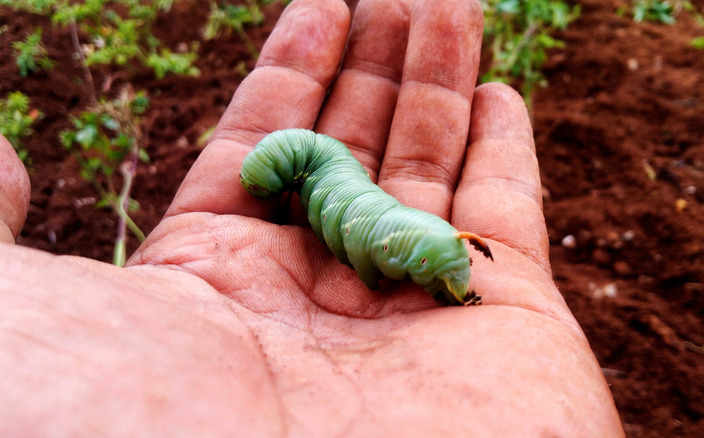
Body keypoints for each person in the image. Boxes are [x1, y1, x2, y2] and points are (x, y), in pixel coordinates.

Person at [0, 0, 624, 435]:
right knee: (372, 223)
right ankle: (443, 261)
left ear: (293, 173)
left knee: (371, 227)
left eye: (266, 181)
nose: (261, 190)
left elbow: (349, 229)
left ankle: (442, 265)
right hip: (424, 237)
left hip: (421, 243)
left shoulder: (324, 187)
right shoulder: (332, 179)